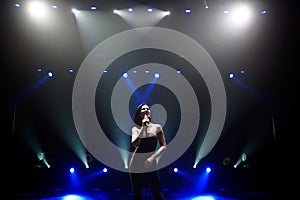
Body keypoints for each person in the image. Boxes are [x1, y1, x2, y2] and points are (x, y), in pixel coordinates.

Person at [129, 103, 167, 200]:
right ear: (139, 114)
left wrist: (152, 158)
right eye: (143, 109)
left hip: (151, 160)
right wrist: (143, 128)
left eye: (148, 108)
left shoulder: (157, 127)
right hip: (136, 161)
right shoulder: (136, 128)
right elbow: (135, 144)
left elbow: (163, 146)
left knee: (157, 191)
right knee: (137, 193)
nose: (146, 110)